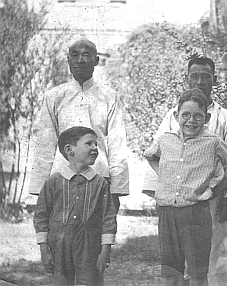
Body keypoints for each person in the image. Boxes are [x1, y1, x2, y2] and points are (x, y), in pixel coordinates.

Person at [142, 56, 227, 286]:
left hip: (211, 198)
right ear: (187, 79)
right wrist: (166, 184)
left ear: (214, 80)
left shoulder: (224, 118)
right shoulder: (173, 115)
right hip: (176, 202)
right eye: (194, 76)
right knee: (174, 264)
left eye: (205, 76)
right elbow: (159, 154)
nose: (199, 81)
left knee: (213, 257)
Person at [26, 38, 129, 212]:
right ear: (68, 60)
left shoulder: (109, 97)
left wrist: (116, 190)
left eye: (86, 55)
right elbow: (45, 143)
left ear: (96, 61)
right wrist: (39, 189)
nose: (80, 60)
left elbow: (117, 144)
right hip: (61, 179)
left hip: (98, 179)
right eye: (74, 55)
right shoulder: (55, 96)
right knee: (62, 234)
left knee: (96, 235)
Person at [33, 126, 117, 286]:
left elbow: (108, 219)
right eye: (89, 144)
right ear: (69, 150)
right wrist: (44, 250)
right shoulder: (53, 182)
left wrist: (105, 250)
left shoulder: (100, 183)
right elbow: (41, 216)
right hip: (59, 247)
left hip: (89, 248)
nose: (95, 148)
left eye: (96, 144)